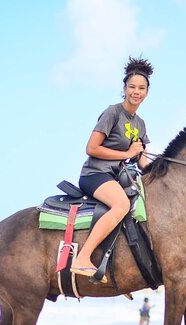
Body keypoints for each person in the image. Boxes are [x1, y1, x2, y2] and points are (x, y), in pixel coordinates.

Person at [70, 56, 153, 281]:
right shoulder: (112, 113)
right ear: (124, 89)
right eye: (132, 87)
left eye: (141, 88)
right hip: (95, 174)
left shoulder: (140, 124)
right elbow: (91, 148)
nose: (136, 91)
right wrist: (126, 154)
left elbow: (143, 161)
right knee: (121, 204)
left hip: (117, 179)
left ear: (147, 92)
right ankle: (82, 258)